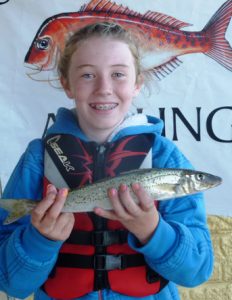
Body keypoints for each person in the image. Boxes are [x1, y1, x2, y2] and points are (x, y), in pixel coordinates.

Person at [0, 22, 213, 300]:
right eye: (88, 74)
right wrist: (40, 240)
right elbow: (10, 284)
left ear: (137, 83)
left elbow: (196, 272)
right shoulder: (38, 159)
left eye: (118, 74)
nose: (104, 88)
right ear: (67, 83)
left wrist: (153, 231)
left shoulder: (165, 156)